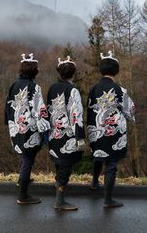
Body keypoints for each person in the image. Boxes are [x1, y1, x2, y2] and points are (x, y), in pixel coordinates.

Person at [87, 51, 135, 208]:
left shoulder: (93, 89)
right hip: (114, 131)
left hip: (97, 128)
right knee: (111, 164)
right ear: (116, 70)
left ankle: (94, 182)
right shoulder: (120, 90)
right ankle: (108, 200)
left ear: (101, 70)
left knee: (98, 155)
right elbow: (130, 110)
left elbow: (89, 110)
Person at [5, 53, 50, 204]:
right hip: (30, 129)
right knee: (28, 159)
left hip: (16, 127)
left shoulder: (14, 85)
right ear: (34, 70)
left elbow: (8, 107)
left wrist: (9, 124)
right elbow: (40, 111)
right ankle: (23, 195)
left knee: (24, 157)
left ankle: (21, 180)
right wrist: (45, 129)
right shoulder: (34, 87)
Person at [47, 56, 85, 211]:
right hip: (68, 134)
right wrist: (80, 138)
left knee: (59, 164)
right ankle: (59, 201)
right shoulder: (73, 90)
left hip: (54, 131)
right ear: (73, 73)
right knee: (65, 167)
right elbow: (77, 115)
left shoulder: (52, 88)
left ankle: (59, 197)